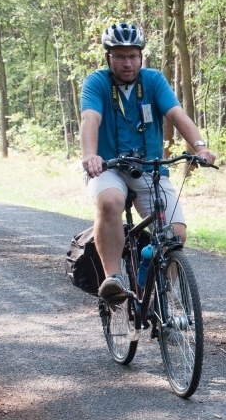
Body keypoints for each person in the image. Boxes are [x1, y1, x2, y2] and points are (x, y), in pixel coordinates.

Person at [80, 22, 216, 301]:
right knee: (110, 202)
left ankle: (157, 296)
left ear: (141, 56)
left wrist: (199, 146)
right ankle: (113, 279)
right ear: (109, 58)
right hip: (108, 166)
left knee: (175, 233)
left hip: (149, 168)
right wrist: (90, 155)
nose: (127, 62)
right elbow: (90, 119)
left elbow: (177, 115)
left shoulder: (153, 81)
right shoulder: (97, 83)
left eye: (132, 56)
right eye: (120, 56)